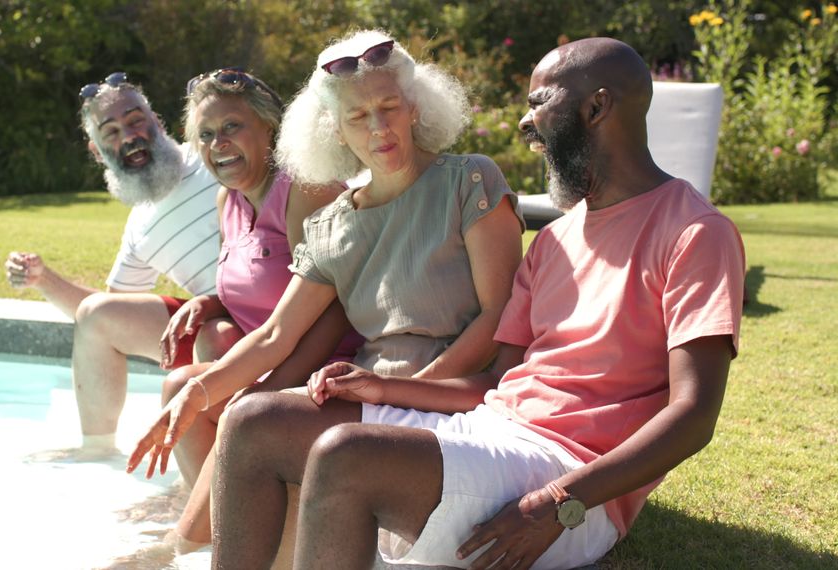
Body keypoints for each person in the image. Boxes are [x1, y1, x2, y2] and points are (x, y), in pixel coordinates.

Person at [210, 36, 747, 569]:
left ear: (596, 107)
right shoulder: (556, 240)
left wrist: (558, 502)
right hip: (491, 433)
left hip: (571, 477)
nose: (524, 123)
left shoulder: (695, 232)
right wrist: (388, 388)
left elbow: (693, 415)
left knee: (343, 454)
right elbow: (494, 386)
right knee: (254, 421)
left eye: (539, 103)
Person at [126, 25, 523, 546]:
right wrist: (195, 395)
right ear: (335, 130)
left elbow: (500, 317)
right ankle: (186, 551)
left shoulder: (468, 180)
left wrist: (409, 394)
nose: (378, 127)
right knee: (246, 420)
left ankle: (184, 549)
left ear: (416, 107)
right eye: (358, 116)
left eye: (390, 106)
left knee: (256, 424)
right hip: (370, 394)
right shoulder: (333, 224)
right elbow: (274, 336)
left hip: (452, 395)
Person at [140, 68, 362, 555]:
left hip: (328, 371)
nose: (218, 142)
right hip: (270, 360)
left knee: (237, 409)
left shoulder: (307, 190)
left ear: (269, 129)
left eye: (232, 127)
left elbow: (336, 309)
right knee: (178, 385)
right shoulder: (228, 200)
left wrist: (270, 387)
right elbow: (261, 279)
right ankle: (222, 526)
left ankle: (191, 545)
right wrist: (206, 302)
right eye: (205, 134)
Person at [5, 74, 236, 458]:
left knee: (216, 337)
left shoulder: (211, 158)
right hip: (214, 323)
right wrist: (42, 279)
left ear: (158, 121)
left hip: (256, 311)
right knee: (97, 317)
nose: (128, 136)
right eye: (110, 131)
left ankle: (201, 486)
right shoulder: (139, 227)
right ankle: (97, 452)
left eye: (135, 120)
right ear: (97, 152)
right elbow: (108, 312)